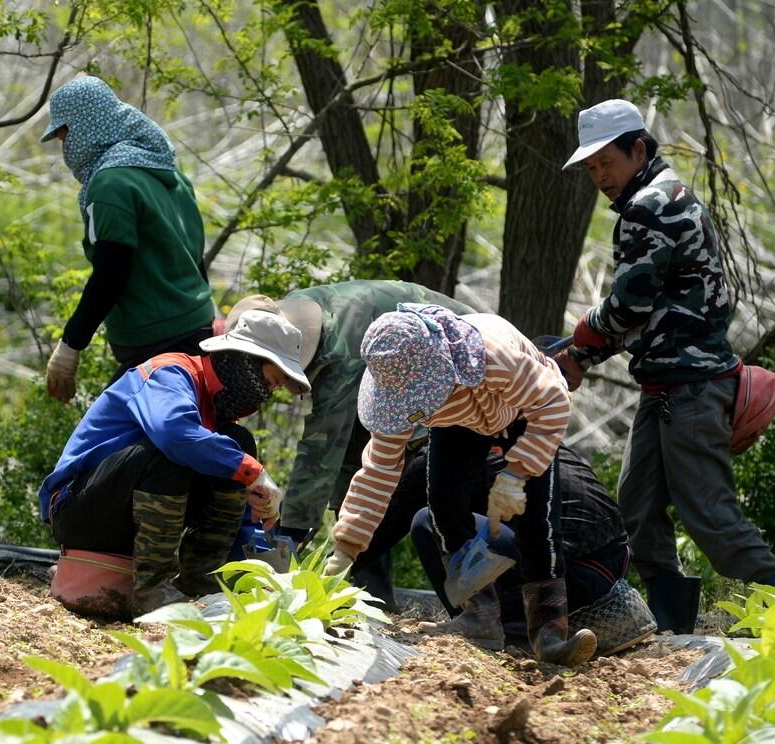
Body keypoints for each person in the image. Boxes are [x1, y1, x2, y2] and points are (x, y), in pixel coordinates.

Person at [561, 99, 775, 633]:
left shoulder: (648, 206)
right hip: (667, 385)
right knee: (637, 507)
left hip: (692, 389)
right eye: (591, 168)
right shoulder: (660, 195)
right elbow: (645, 313)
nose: (600, 175)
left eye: (607, 161)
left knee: (711, 518)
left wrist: (580, 337)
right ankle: (672, 625)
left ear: (639, 149)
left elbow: (628, 304)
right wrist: (581, 354)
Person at [324, 304, 597, 666]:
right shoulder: (393, 389)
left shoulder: (494, 356)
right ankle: (479, 616)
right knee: (442, 500)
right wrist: (346, 547)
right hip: (459, 420)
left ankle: (549, 633)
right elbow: (377, 472)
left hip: (524, 412)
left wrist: (517, 473)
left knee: (538, 520)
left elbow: (553, 402)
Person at [40, 312, 309, 618]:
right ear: (245, 361)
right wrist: (252, 472)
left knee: (236, 443)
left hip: (131, 519)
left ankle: (201, 580)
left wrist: (262, 538)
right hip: (80, 512)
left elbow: (221, 465)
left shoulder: (217, 415)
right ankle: (153, 590)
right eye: (270, 382)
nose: (265, 394)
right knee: (180, 451)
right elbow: (174, 434)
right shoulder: (170, 373)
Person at [224, 281, 474, 607]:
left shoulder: (338, 346)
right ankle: (367, 590)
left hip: (461, 370)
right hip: (408, 370)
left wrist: (288, 537)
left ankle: (390, 593)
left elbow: (321, 449)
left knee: (412, 482)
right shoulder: (290, 314)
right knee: (357, 470)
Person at [39, 75, 216, 401]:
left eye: (64, 136)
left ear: (85, 126)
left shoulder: (110, 184)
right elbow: (195, 254)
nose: (65, 148)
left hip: (158, 342)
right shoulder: (167, 173)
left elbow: (112, 273)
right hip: (199, 330)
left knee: (102, 442)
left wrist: (70, 345)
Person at [407, 444, 657, 656]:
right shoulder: (529, 427)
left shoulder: (447, 454)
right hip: (610, 563)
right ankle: (520, 626)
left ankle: (492, 626)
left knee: (428, 522)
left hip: (572, 572)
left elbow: (384, 525)